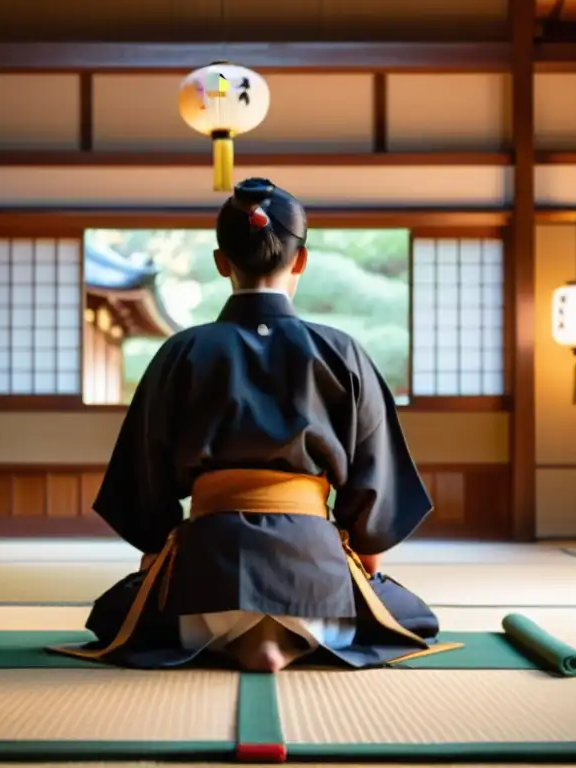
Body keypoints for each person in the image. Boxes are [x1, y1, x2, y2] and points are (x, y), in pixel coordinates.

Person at [51, 178, 446, 672]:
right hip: (317, 594)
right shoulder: (341, 352)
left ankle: (235, 638)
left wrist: (157, 553)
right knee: (416, 618)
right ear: (300, 260)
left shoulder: (182, 352)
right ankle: (291, 639)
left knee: (113, 614)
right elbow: (374, 489)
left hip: (202, 594)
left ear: (222, 261)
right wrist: (364, 565)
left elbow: (143, 490)